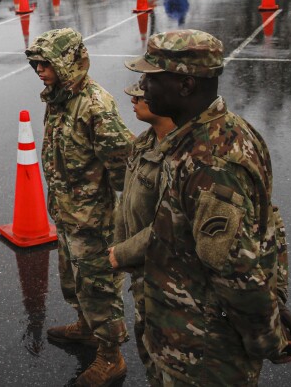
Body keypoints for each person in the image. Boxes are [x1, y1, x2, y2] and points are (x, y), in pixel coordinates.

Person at [125, 30, 291, 386]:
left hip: (204, 355)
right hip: (187, 337)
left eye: (152, 77)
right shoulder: (224, 131)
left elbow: (235, 274)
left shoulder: (210, 163)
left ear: (185, 85)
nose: (143, 85)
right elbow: (261, 232)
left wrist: (269, 340)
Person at [25, 28, 134, 387]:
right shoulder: (58, 98)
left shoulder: (94, 104)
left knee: (99, 288)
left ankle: (110, 357)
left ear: (68, 62)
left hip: (93, 220)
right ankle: (86, 327)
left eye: (47, 63)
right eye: (36, 64)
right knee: (74, 282)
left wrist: (124, 217)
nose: (40, 69)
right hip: (68, 213)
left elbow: (123, 165)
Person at [108, 81, 175, 387]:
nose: (133, 98)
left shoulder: (180, 155)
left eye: (142, 93)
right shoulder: (143, 143)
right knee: (148, 351)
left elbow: (170, 225)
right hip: (141, 276)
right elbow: (128, 201)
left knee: (170, 364)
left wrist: (121, 253)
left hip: (169, 283)